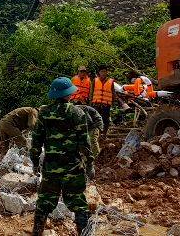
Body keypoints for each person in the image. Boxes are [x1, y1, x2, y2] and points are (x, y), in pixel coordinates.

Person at [30, 77, 94, 236]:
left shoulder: (44, 113)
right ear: (70, 94)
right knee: (78, 203)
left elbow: (36, 140)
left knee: (44, 203)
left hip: (50, 168)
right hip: (73, 167)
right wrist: (90, 165)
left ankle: (37, 233)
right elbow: (85, 143)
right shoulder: (77, 112)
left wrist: (35, 161)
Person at [90, 66, 116, 134]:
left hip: (106, 104)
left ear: (107, 72)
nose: (103, 73)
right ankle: (95, 133)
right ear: (99, 72)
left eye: (105, 71)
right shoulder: (95, 80)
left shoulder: (111, 81)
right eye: (102, 71)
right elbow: (91, 92)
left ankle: (104, 134)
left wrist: (113, 102)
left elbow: (113, 93)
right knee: (95, 119)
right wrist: (90, 103)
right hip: (96, 103)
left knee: (105, 119)